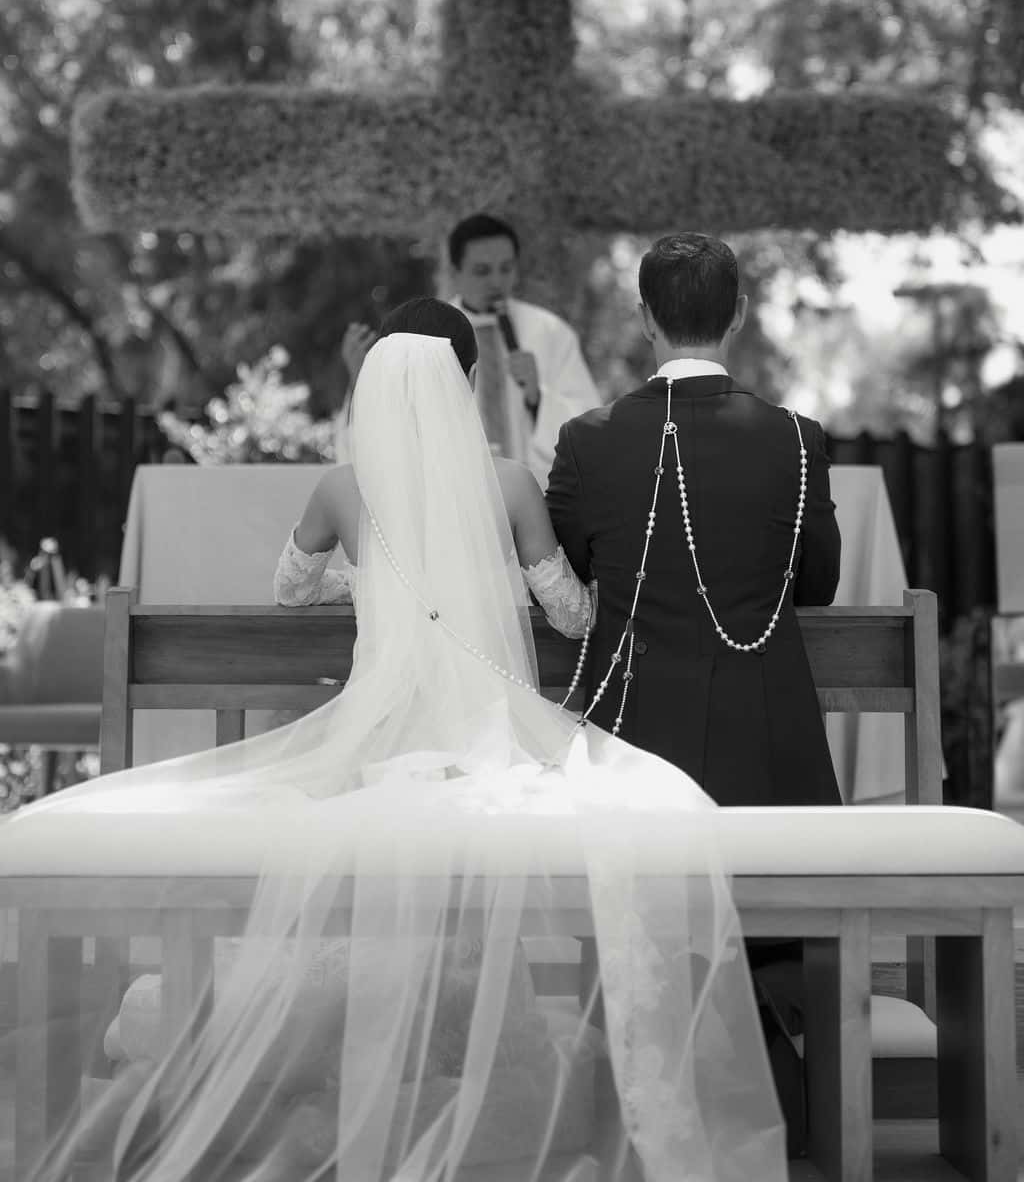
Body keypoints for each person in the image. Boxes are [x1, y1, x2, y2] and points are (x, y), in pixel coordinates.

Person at [0, 297, 786, 1182]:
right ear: (465, 383)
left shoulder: (345, 484)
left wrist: (367, 583)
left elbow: (290, 589)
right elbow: (566, 609)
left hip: (381, 735)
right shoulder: (511, 483)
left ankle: (349, 1055)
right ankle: (462, 1059)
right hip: (493, 736)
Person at [545, 233, 842, 1155]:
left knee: (627, 929)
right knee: (778, 915)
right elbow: (819, 584)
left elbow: (575, 573)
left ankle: (626, 1104)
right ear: (739, 315)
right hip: (771, 749)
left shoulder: (589, 441)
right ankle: (794, 1106)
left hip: (631, 746)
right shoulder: (796, 439)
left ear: (643, 318)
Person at [335, 214, 601, 486]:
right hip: (453, 492)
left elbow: (592, 427)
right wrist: (362, 382)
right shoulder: (427, 334)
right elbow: (397, 429)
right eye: (482, 271)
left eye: (506, 269)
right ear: (454, 272)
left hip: (538, 492)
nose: (496, 282)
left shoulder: (550, 332)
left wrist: (537, 398)